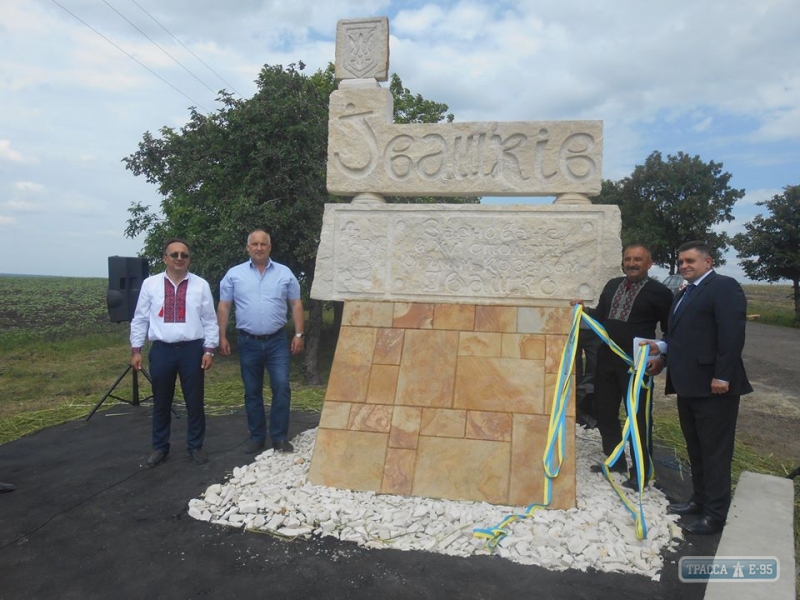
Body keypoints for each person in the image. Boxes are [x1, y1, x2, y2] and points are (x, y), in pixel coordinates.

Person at [647, 241, 752, 535]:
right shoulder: (684, 292)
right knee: (696, 449)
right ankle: (700, 500)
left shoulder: (723, 287)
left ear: (709, 262)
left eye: (690, 261)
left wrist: (722, 375)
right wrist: (662, 356)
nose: (683, 266)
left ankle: (716, 514)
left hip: (714, 388)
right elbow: (682, 337)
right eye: (681, 262)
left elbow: (731, 335)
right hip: (688, 386)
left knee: (715, 453)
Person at [573, 244, 673, 489]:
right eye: (628, 259)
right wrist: (583, 311)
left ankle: (641, 472)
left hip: (636, 365)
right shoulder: (612, 285)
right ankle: (615, 460)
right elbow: (601, 316)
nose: (632, 263)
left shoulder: (660, 293)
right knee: (605, 412)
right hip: (606, 360)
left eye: (638, 259)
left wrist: (662, 359)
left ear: (649, 264)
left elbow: (672, 329)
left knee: (638, 417)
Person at [130, 239, 219, 467]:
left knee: (194, 401)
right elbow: (140, 318)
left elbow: (210, 319)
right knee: (161, 401)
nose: (179, 258)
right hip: (162, 350)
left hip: (192, 350)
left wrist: (209, 350)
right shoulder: (150, 284)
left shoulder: (200, 285)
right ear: (165, 258)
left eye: (184, 255)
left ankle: (195, 446)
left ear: (189, 259)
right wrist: (136, 349)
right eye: (175, 254)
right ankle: (160, 447)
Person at [217, 229, 305, 455]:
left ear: (269, 247)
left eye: (263, 244)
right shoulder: (234, 274)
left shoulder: (285, 274)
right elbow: (224, 306)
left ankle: (279, 437)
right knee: (252, 391)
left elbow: (295, 303)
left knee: (282, 387)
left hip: (277, 341)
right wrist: (221, 335)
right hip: (248, 342)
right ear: (248, 248)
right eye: (254, 244)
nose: (258, 248)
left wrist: (298, 334)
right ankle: (257, 437)